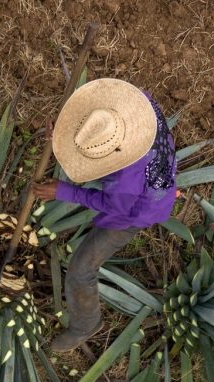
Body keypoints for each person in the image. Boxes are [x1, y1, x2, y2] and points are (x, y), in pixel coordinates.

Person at [33, 78, 177, 352]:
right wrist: (65, 133)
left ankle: (85, 325)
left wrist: (64, 191)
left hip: (134, 212)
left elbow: (113, 206)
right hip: (154, 173)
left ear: (116, 153)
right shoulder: (138, 105)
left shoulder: (124, 184)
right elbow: (97, 120)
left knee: (81, 270)